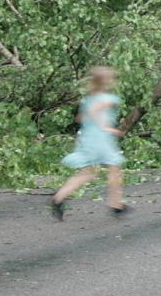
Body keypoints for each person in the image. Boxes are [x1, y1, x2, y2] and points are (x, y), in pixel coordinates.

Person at [50, 67, 126, 220]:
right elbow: (93, 111)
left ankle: (58, 198)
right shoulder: (108, 99)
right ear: (105, 81)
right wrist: (105, 127)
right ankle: (115, 205)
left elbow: (79, 118)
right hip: (100, 138)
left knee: (88, 172)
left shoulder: (88, 98)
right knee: (114, 167)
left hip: (87, 137)